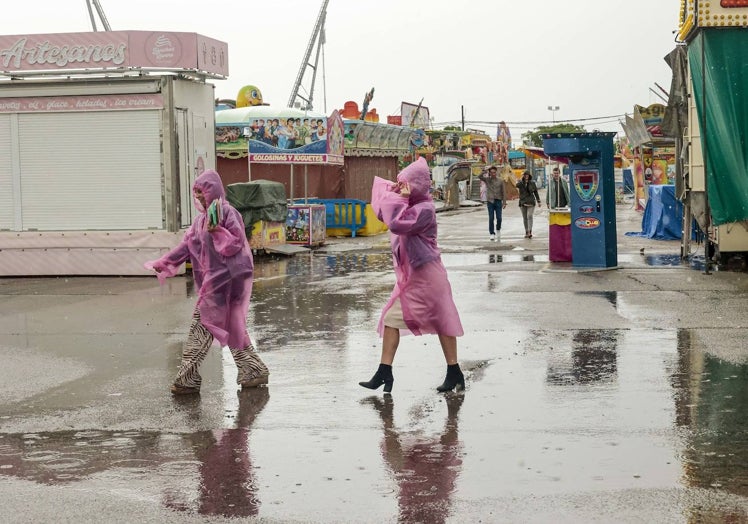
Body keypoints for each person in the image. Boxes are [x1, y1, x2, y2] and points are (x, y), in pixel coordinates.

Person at [144, 169, 269, 395]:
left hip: (227, 281)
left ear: (214, 190)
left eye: (202, 191)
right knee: (232, 328)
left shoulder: (229, 214)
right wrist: (164, 262)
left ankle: (187, 379)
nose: (199, 197)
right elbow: (187, 246)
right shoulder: (200, 220)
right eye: (196, 193)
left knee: (200, 326)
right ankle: (253, 369)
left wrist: (217, 231)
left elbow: (235, 245)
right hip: (213, 281)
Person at [360, 157, 465, 394]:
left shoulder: (424, 209)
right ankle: (385, 371)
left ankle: (453, 372)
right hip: (415, 276)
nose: (402, 186)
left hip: (428, 276)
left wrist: (402, 198)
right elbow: (383, 213)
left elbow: (397, 223)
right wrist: (397, 194)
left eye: (406, 182)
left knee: (443, 321)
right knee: (392, 319)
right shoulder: (412, 205)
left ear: (417, 185)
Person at [477, 165, 506, 241]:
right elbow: (479, 176)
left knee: (499, 218)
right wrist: (485, 171)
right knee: (491, 218)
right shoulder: (487, 180)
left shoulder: (500, 180)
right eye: (492, 172)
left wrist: (504, 202)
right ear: (490, 173)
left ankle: (498, 229)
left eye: (494, 172)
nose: (493, 174)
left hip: (498, 201)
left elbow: (503, 192)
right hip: (490, 201)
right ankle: (492, 233)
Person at [517, 170, 542, 238]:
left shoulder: (532, 183)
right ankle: (526, 231)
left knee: (529, 216)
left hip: (531, 202)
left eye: (527, 175)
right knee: (525, 217)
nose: (526, 176)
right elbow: (516, 185)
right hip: (523, 202)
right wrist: (520, 180)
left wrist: (538, 201)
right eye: (525, 175)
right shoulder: (521, 183)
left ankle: (530, 231)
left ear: (529, 176)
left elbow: (536, 192)